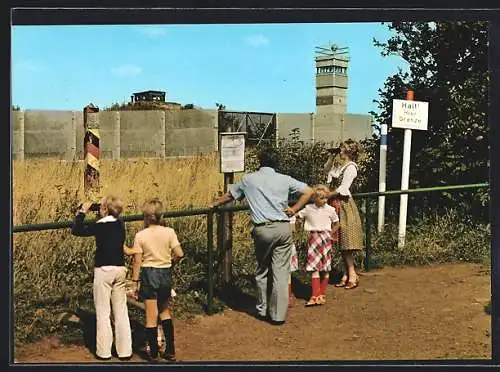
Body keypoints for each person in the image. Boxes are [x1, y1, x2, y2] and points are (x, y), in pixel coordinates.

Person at [210, 147, 314, 325]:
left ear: (260, 161)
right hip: (283, 228)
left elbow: (229, 195)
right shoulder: (284, 179)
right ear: (276, 162)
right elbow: (309, 191)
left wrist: (214, 203)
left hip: (262, 229)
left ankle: (262, 308)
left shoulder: (249, 179)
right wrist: (295, 209)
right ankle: (278, 315)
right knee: (281, 272)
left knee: (262, 270)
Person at [71, 196, 133, 361]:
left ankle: (104, 351)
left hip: (103, 270)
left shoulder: (99, 226)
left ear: (104, 209)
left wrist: (82, 211)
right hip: (120, 269)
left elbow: (76, 230)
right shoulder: (121, 224)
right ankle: (125, 351)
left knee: (103, 312)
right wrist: (102, 208)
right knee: (121, 311)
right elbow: (110, 221)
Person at [128, 198, 184, 362]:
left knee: (151, 317)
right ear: (161, 216)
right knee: (165, 312)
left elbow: (137, 260)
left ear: (145, 216)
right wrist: (171, 263)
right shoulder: (169, 232)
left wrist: (135, 280)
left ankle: (153, 353)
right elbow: (180, 253)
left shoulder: (140, 235)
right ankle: (170, 350)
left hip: (149, 274)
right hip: (164, 273)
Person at [324, 139, 364, 290]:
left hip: (344, 204)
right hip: (334, 204)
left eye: (342, 149)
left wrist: (326, 196)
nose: (339, 151)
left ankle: (351, 274)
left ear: (349, 152)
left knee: (346, 242)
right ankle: (347, 274)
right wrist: (330, 158)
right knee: (341, 242)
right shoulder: (338, 166)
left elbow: (343, 188)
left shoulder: (351, 167)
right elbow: (326, 172)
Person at [294, 185, 339, 306]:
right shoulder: (308, 208)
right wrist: (291, 214)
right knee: (314, 267)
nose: (324, 200)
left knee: (325, 268)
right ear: (314, 198)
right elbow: (296, 215)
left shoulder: (330, 209)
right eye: (321, 198)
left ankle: (321, 294)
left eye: (326, 198)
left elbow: (337, 223)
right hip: (313, 238)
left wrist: (330, 234)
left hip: (325, 239)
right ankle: (314, 295)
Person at [288, 215, 299, 308]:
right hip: (286, 242)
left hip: (287, 244)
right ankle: (287, 295)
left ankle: (287, 295)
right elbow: (293, 229)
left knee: (287, 273)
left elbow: (293, 229)